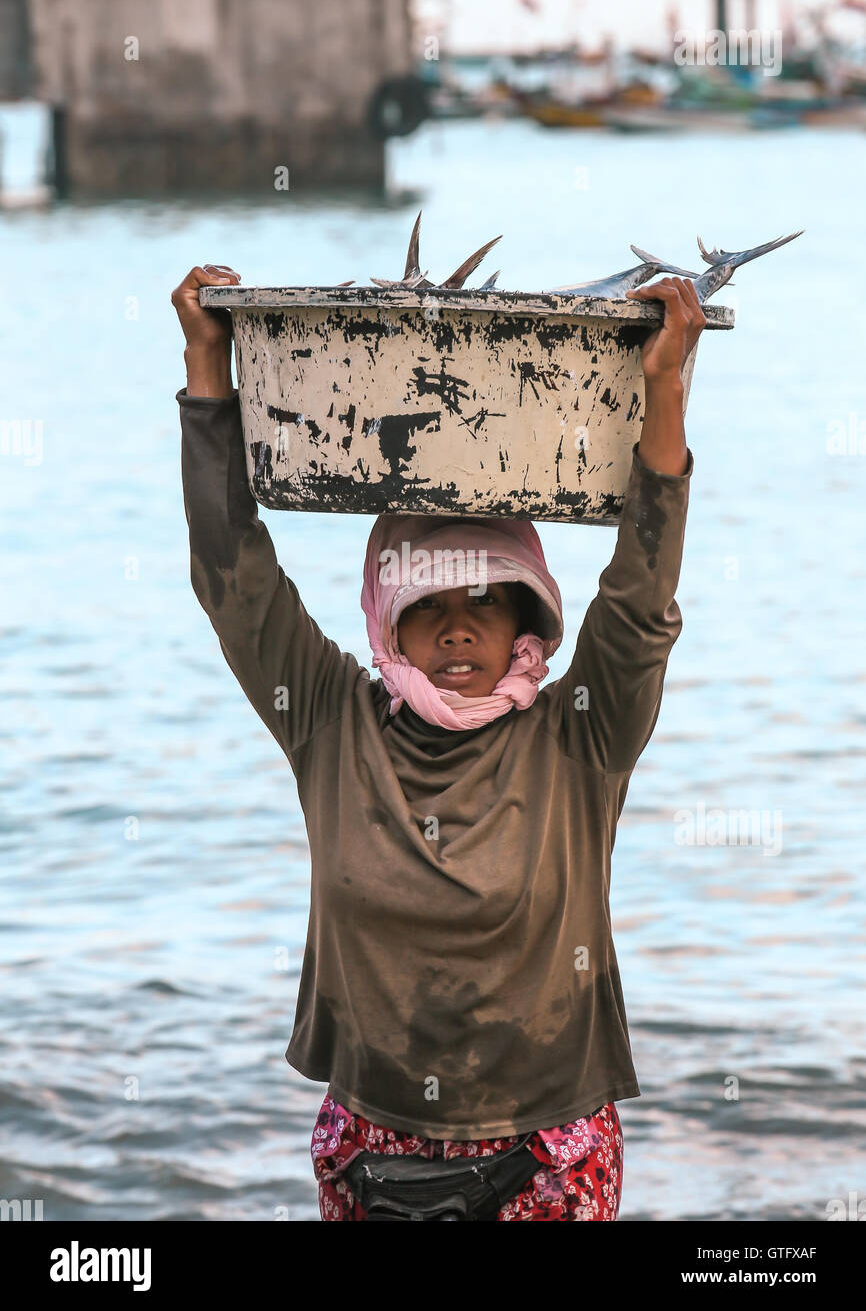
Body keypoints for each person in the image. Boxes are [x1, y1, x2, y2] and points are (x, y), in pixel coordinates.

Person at [170, 260, 706, 1220]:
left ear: (525, 622)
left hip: (551, 1146)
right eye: (430, 605)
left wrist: (663, 388)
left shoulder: (581, 739)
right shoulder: (331, 722)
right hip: (372, 1146)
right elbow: (231, 575)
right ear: (388, 625)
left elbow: (638, 600)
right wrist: (209, 373)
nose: (458, 631)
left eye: (484, 603)